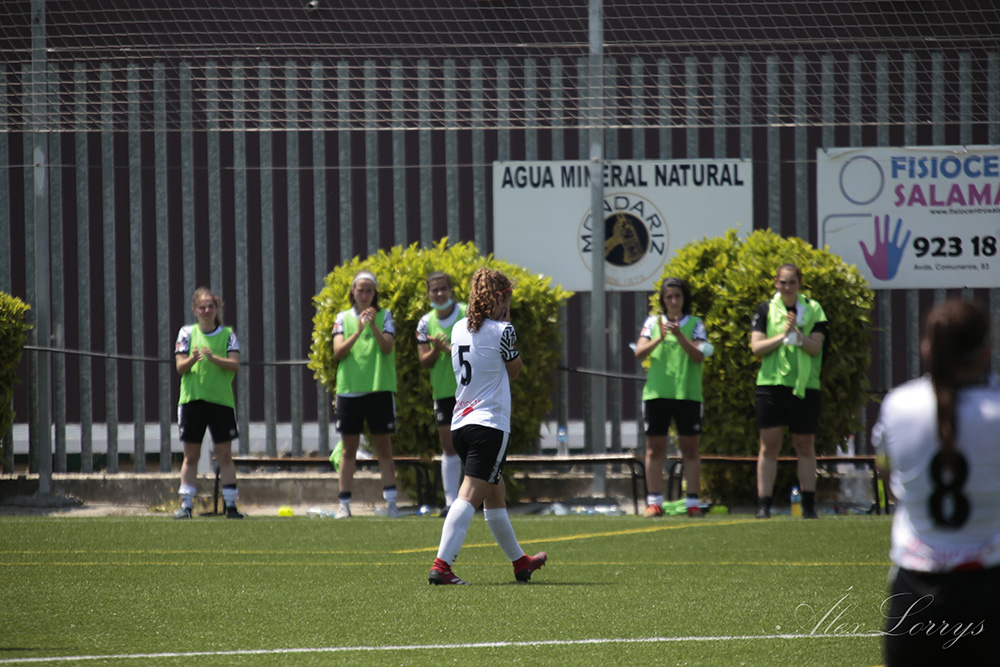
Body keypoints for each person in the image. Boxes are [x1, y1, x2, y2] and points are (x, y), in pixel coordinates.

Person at [872, 299, 1000, 665]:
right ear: (986, 350)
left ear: (928, 347)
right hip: (989, 590)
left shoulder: (898, 405)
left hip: (915, 594)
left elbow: (887, 473)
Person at [428, 267, 547, 585]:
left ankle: (520, 562)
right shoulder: (503, 330)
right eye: (507, 299)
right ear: (499, 299)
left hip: (461, 424)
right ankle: (442, 566)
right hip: (489, 425)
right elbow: (514, 371)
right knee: (468, 495)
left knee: (495, 494)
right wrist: (507, 324)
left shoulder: (457, 328)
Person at [749, 263, 828, 519]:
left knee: (804, 445)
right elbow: (756, 347)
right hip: (770, 385)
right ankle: (764, 505)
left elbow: (815, 348)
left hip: (804, 387)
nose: (787, 287)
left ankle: (809, 506)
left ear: (800, 284)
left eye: (792, 282)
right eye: (783, 282)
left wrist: (797, 334)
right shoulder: (765, 309)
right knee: (769, 446)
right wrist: (783, 335)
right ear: (776, 283)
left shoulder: (814, 309)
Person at [634, 277, 711, 518]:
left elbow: (698, 356)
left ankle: (692, 503)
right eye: (669, 297)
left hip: (687, 394)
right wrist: (660, 337)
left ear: (684, 298)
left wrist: (679, 336)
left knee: (690, 449)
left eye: (677, 296)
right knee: (654, 449)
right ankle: (654, 502)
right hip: (657, 394)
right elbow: (639, 352)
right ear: (663, 300)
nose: (674, 301)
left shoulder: (696, 324)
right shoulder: (652, 323)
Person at [331, 271, 399, 518]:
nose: (364, 294)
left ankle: (391, 504)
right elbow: (338, 352)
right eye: (360, 290)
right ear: (353, 292)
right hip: (350, 390)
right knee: (348, 449)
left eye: (369, 290)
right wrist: (359, 331)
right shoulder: (342, 317)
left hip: (379, 388)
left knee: (384, 449)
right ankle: (344, 504)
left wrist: (372, 326)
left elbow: (387, 347)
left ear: (374, 293)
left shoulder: (385, 316)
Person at [173, 287, 243, 519]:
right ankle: (186, 506)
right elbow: (180, 367)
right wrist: (193, 358)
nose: (206, 310)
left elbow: (235, 364)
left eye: (210, 306)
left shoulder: (228, 334)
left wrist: (213, 358)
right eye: (202, 307)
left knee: (224, 455)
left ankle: (231, 506)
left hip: (221, 402)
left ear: (217, 308)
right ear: (195, 310)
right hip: (192, 401)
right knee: (191, 456)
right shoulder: (186, 333)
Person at [415, 272, 467, 515]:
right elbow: (424, 361)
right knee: (449, 447)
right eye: (434, 290)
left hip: (470, 390)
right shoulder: (425, 323)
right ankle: (451, 503)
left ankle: (474, 500)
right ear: (428, 293)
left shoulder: (467, 314)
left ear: (451, 290)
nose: (439, 294)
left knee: (473, 446)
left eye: (443, 289)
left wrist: (449, 348)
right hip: (443, 392)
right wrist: (436, 350)